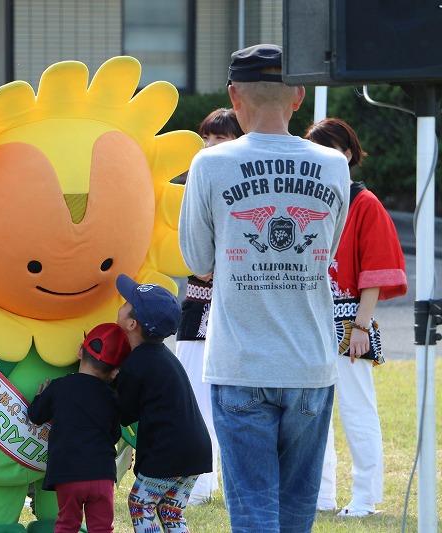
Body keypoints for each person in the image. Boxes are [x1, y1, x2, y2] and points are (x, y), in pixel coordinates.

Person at [179, 44, 351, 533]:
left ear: (234, 96)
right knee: (296, 513)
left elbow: (196, 261)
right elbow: (325, 251)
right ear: (298, 95)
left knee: (253, 513)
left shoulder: (209, 165)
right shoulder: (334, 166)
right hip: (310, 360)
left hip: (240, 360)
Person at [305, 118, 407, 517]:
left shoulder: (365, 204)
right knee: (314, 412)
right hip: (310, 320)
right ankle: (322, 495)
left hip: (349, 320)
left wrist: (361, 327)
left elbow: (376, 274)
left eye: (329, 149)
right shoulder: (315, 201)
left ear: (347, 153)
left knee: (356, 410)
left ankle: (366, 497)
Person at [174, 108, 243, 505]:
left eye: (221, 139)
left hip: (237, 309)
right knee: (191, 396)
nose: (211, 146)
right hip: (198, 307)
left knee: (234, 404)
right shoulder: (192, 186)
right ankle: (199, 484)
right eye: (207, 139)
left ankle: (208, 483)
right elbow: (187, 253)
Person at [114, 274, 212, 532]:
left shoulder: (137, 364)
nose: (121, 304)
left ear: (132, 323)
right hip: (196, 448)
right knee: (171, 511)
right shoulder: (160, 355)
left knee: (140, 504)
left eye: (125, 303)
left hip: (169, 451)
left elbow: (123, 414)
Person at [27, 323, 131, 533]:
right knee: (102, 528)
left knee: (67, 524)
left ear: (80, 351)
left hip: (68, 475)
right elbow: (114, 434)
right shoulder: (112, 397)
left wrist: (39, 397)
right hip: (102, 475)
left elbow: (36, 416)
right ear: (114, 373)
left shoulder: (59, 387)